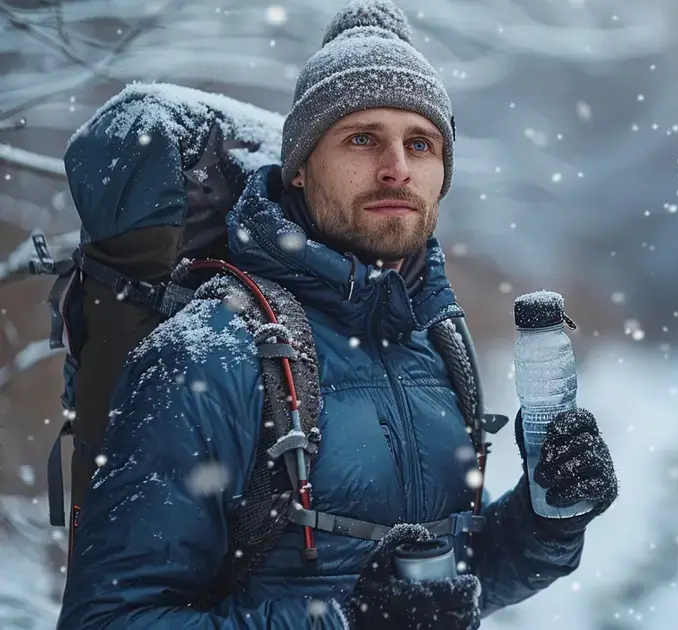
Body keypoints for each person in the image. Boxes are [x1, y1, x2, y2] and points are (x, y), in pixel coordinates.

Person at [55, 1, 619, 628]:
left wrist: (545, 521)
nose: (396, 167)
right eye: (361, 138)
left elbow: (455, 581)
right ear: (299, 169)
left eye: (421, 143)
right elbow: (107, 619)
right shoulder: (213, 354)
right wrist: (344, 622)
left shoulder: (435, 345)